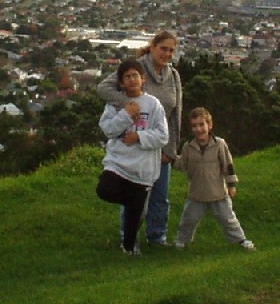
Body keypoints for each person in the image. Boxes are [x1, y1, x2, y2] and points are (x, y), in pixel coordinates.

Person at [97, 30, 182, 246]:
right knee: (134, 195)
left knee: (160, 197)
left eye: (171, 50)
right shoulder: (136, 67)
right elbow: (103, 88)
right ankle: (129, 236)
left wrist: (171, 149)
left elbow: (175, 114)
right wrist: (126, 103)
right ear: (152, 47)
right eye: (163, 48)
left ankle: (157, 236)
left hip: (159, 144)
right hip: (131, 147)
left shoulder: (173, 76)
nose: (167, 53)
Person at [95, 58, 169, 255]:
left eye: (135, 75)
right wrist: (126, 114)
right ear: (121, 82)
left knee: (134, 218)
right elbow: (108, 129)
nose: (132, 80)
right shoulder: (116, 104)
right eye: (127, 77)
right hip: (118, 163)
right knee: (105, 190)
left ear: (143, 79)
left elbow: (163, 136)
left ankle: (129, 249)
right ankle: (131, 201)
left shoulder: (153, 104)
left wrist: (139, 136)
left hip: (142, 168)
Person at [173, 107, 255, 251]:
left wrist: (232, 184)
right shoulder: (188, 146)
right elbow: (182, 164)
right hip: (196, 194)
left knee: (228, 219)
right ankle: (182, 241)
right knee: (188, 220)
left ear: (209, 125)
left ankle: (240, 240)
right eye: (194, 126)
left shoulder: (219, 144)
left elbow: (228, 165)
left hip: (218, 193)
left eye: (201, 125)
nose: (198, 129)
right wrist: (170, 157)